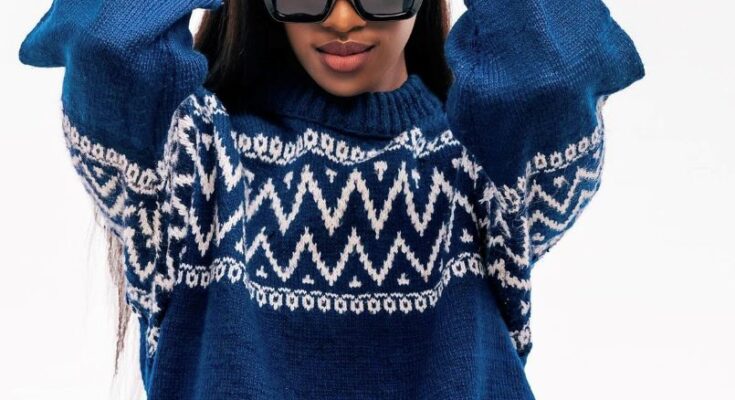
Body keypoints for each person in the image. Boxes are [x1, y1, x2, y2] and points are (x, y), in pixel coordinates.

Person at [18, 0, 644, 398]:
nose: (342, 19)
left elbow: (560, 66)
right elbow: (105, 41)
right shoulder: (196, 167)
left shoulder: (481, 170)